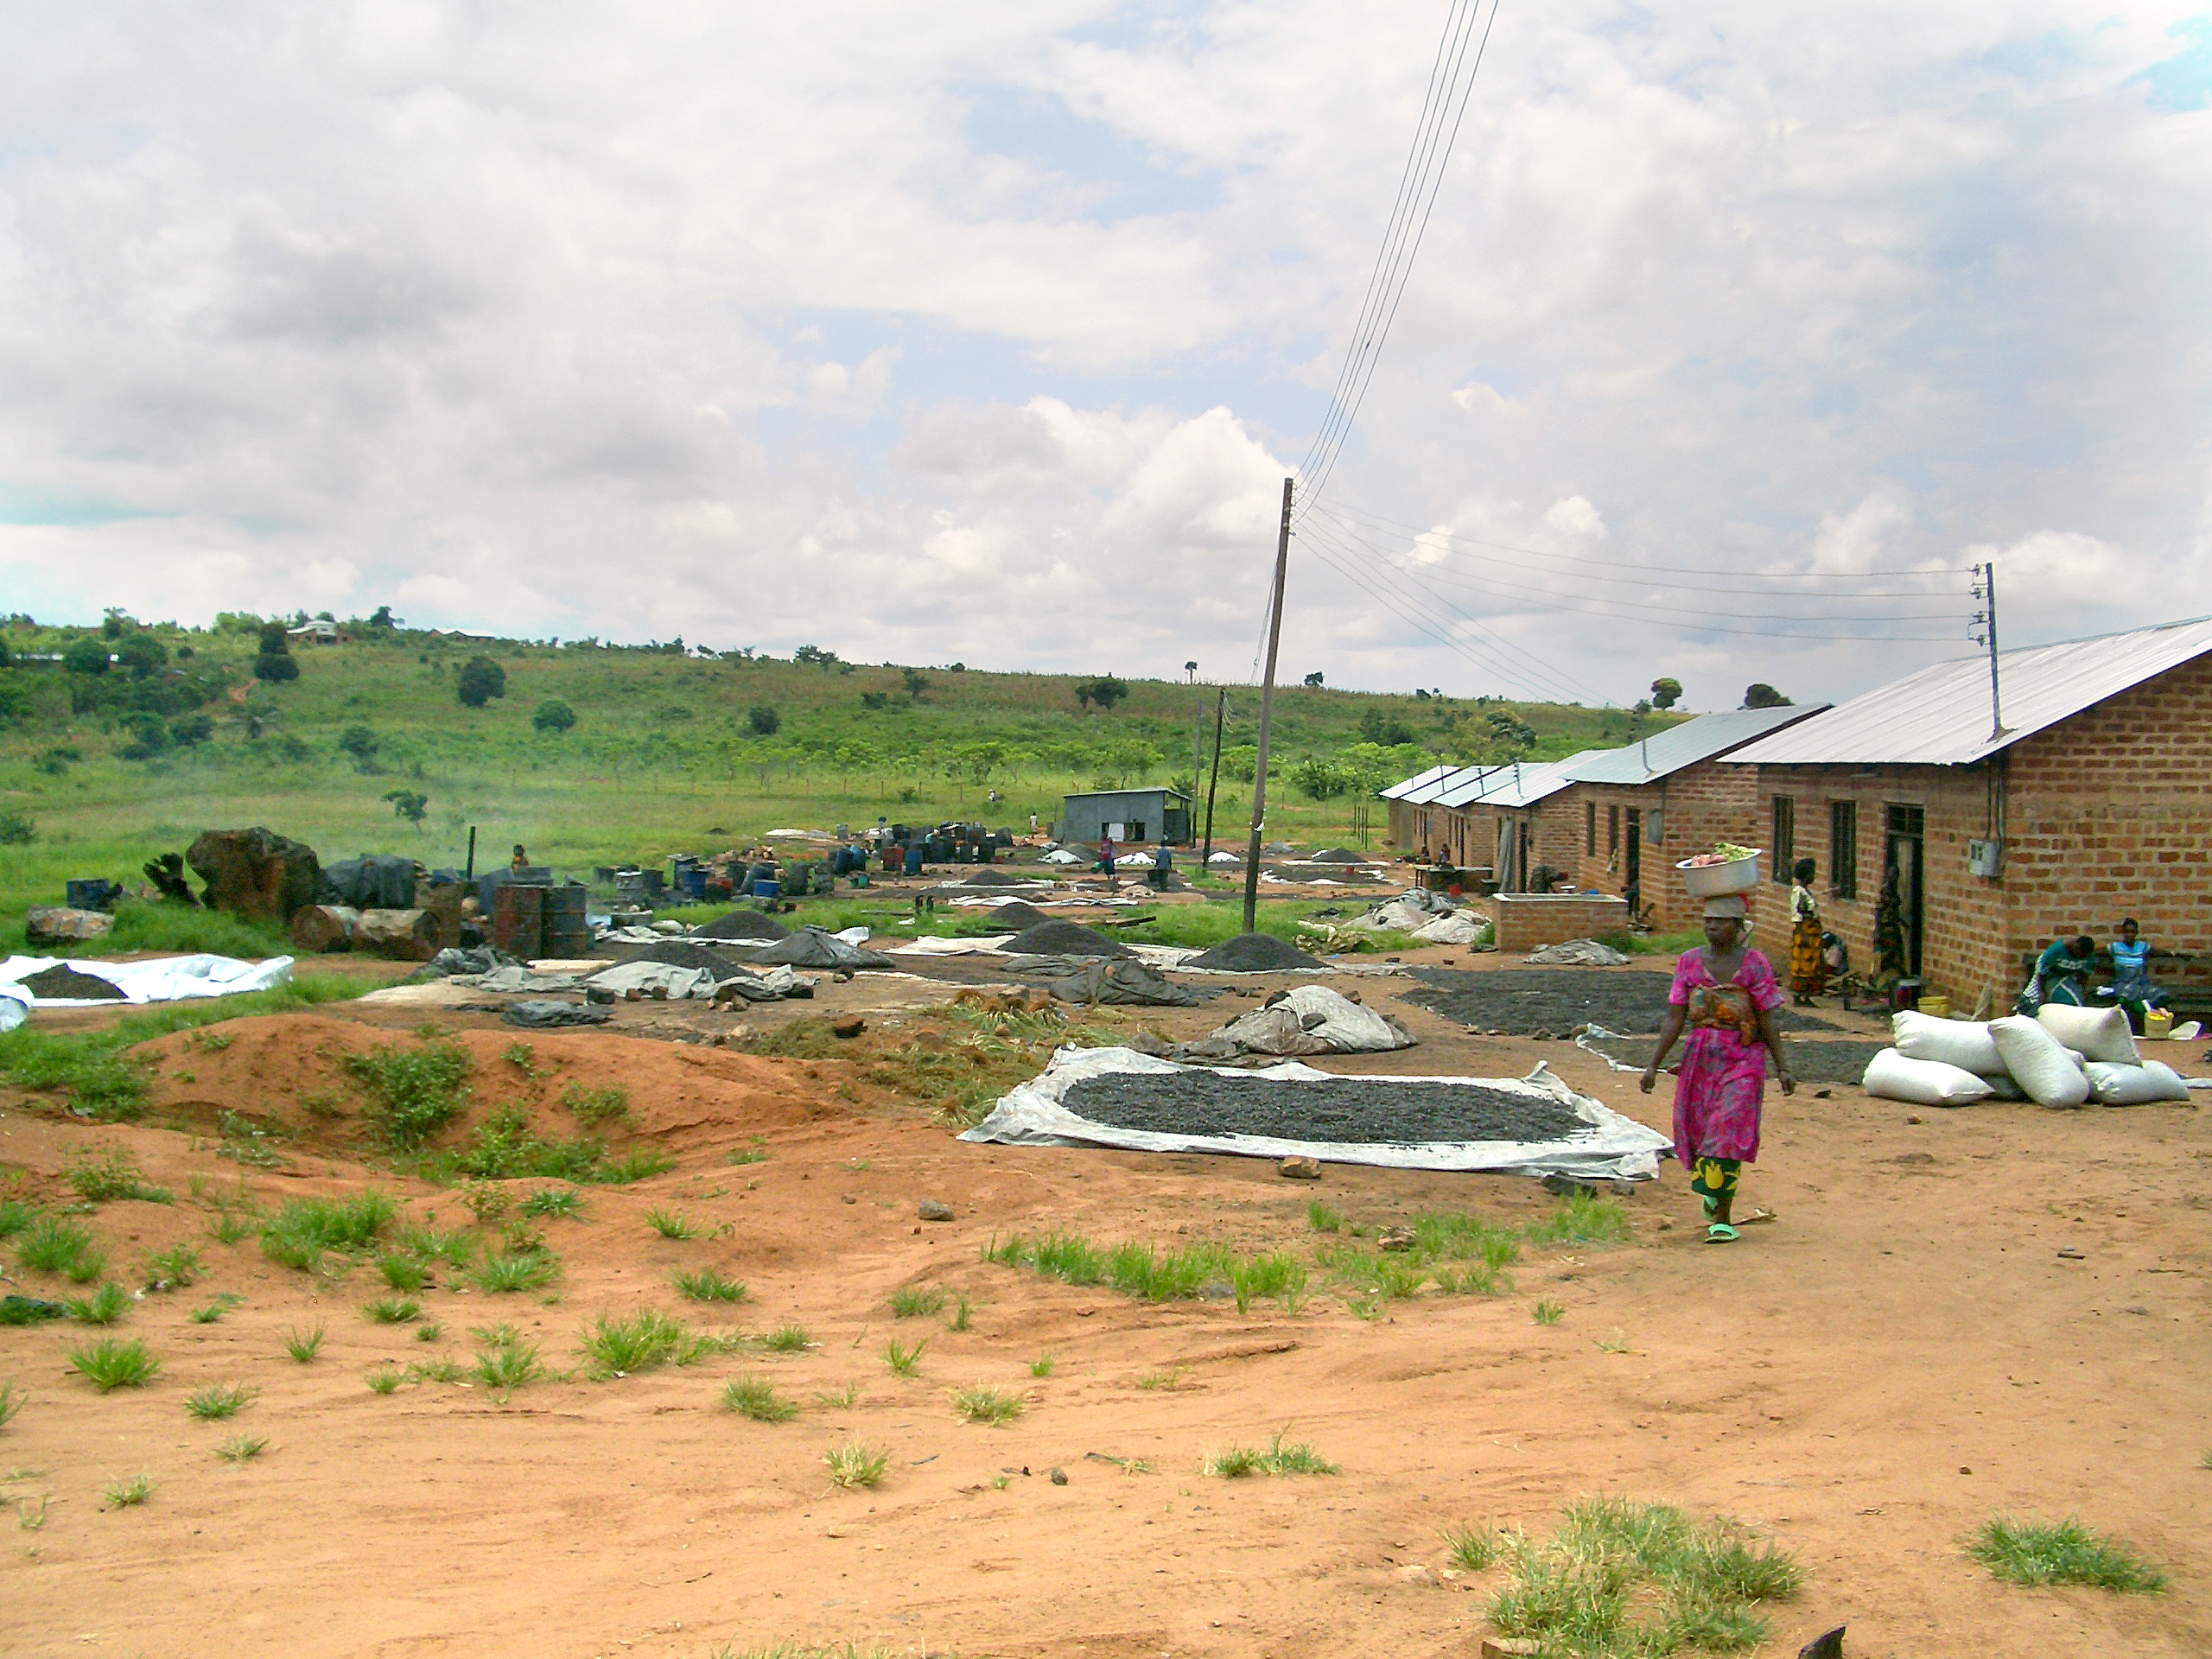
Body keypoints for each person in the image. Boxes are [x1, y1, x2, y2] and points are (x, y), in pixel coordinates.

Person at [1639, 893, 1796, 1243]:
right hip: (1701, 1057)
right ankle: (1712, 1191)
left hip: (1743, 1056)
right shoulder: (1690, 963)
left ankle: (1722, 1218)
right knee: (1700, 1132)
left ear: (1738, 926)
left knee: (1727, 1131)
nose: (1711, 927)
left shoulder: (1755, 964)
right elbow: (1675, 1015)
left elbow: (1768, 1017)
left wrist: (1782, 1067)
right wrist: (1653, 1064)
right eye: (1707, 920)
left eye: (1720, 921)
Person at [2105, 918, 2170, 1031]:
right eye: (2127, 932)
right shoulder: (2115, 947)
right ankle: (2145, 1024)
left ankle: (2153, 1019)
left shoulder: (2142, 947)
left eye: (2132, 932)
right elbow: (2094, 952)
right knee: (2127, 1000)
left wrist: (2175, 954)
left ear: (2137, 933)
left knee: (2162, 995)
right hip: (2123, 985)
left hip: (2141, 984)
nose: (2129, 935)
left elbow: (2159, 952)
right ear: (2123, 933)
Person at [2016, 934, 2095, 1014]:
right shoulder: (2056, 951)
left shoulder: (2088, 954)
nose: (2082, 957)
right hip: (2049, 973)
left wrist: (2083, 989)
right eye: (2081, 954)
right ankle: (2023, 1011)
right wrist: (2041, 991)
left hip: (2068, 975)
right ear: (2076, 947)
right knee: (2034, 999)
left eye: (2085, 956)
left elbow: (2085, 974)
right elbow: (2042, 972)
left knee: (2073, 996)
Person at [1788, 857, 1824, 1006]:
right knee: (1803, 965)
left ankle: (1807, 996)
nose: (1814, 877)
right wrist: (1801, 933)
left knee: (1811, 964)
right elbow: (1795, 913)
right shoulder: (1798, 892)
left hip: (1811, 931)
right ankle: (1799, 996)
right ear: (1805, 875)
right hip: (1804, 931)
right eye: (1812, 874)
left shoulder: (1806, 892)